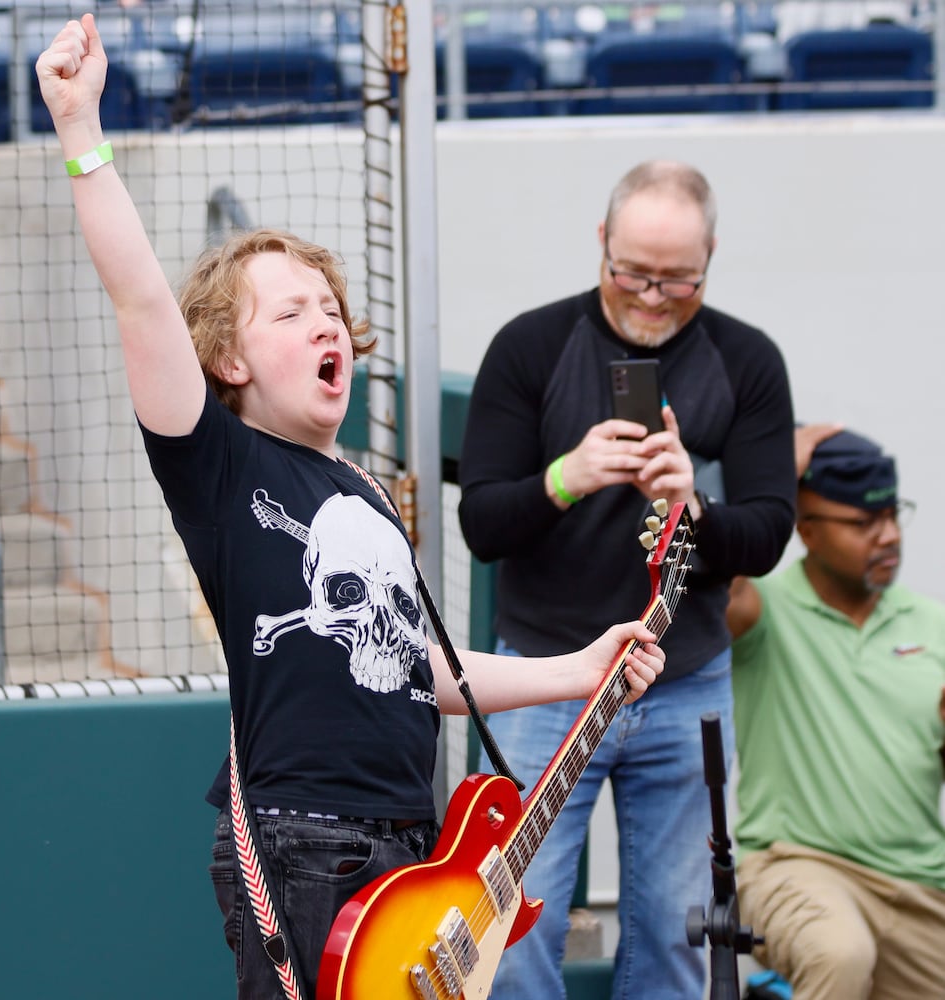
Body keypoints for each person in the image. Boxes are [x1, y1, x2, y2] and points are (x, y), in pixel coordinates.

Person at [36, 17, 668, 999]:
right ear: (229, 363)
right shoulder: (223, 464)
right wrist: (83, 132)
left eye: (330, 307)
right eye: (289, 312)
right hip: (306, 847)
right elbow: (143, 301)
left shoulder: (363, 491)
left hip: (412, 857)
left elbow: (419, 668)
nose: (324, 319)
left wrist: (578, 669)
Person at [456, 160, 797, 1000]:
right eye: (632, 274)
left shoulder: (746, 359)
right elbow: (483, 525)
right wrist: (565, 478)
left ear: (710, 257)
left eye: (677, 279)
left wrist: (694, 505)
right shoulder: (531, 345)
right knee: (516, 921)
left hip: (682, 681)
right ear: (601, 244)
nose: (651, 296)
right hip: (547, 677)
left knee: (677, 931)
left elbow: (768, 533)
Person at [728, 425, 945, 1000]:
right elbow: (703, 556)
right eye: (863, 523)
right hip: (795, 867)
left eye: (895, 515)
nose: (889, 536)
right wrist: (767, 474)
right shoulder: (761, 610)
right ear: (805, 531)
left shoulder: (933, 625)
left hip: (922, 886)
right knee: (839, 952)